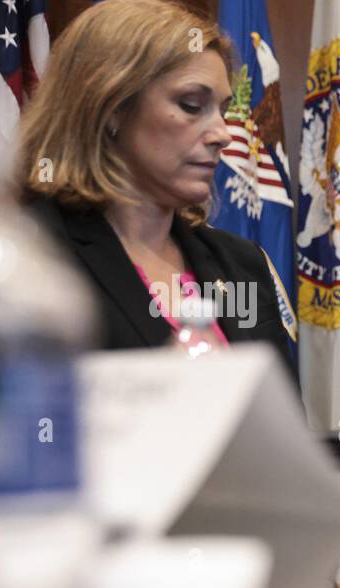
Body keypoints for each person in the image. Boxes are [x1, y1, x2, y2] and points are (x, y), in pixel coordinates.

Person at [16, 0, 293, 371]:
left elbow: (282, 420)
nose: (223, 135)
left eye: (223, 111)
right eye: (192, 105)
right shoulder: (33, 258)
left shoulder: (242, 265)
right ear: (110, 108)